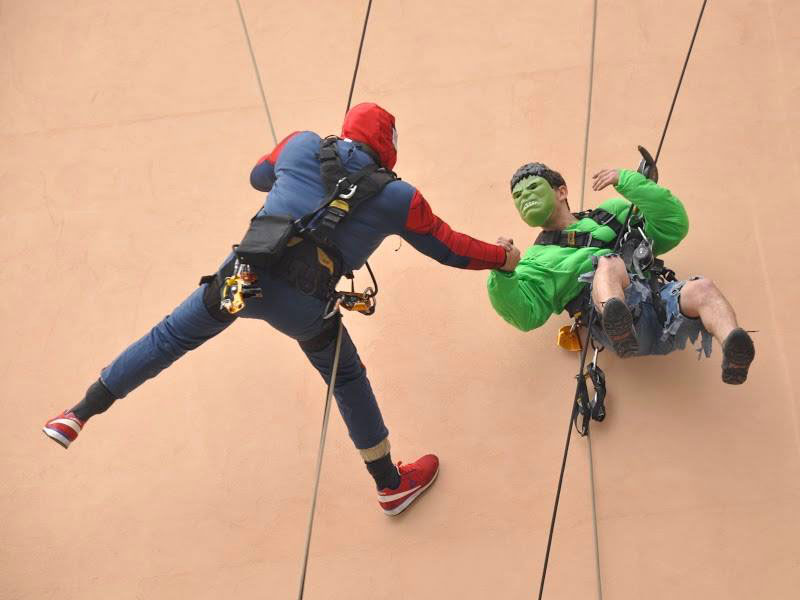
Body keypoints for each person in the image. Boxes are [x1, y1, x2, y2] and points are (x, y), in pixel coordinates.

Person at [43, 102, 521, 516]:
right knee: (347, 378)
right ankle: (389, 484)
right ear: (389, 148)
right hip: (306, 301)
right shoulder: (398, 196)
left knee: (169, 337)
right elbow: (451, 249)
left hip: (243, 274)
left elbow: (257, 176)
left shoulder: (301, 144)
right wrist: (505, 257)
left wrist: (297, 166)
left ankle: (79, 412)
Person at [488, 162, 755, 384]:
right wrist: (504, 273)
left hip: (656, 306)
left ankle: (734, 349)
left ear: (561, 191)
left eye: (532, 188)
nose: (526, 198)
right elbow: (524, 314)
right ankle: (618, 322)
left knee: (703, 288)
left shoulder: (612, 214)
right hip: (609, 326)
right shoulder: (533, 262)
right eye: (518, 197)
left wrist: (627, 181)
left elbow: (673, 224)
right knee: (609, 264)